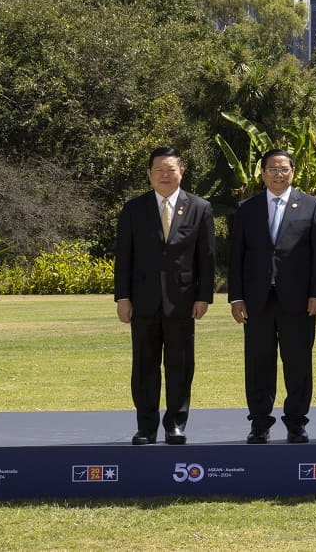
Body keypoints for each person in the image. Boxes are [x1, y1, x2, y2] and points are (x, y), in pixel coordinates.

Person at [113, 146, 214, 446]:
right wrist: (123, 298)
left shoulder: (199, 207)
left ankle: (176, 425)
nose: (165, 175)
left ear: (182, 172)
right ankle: (146, 427)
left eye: (171, 170)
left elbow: (206, 258)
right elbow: (124, 258)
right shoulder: (134, 208)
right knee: (144, 365)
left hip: (183, 300)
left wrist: (203, 296)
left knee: (180, 365)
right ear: (149, 174)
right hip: (142, 301)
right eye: (159, 170)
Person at [228, 148, 316, 444]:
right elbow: (237, 256)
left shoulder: (312, 206)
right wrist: (236, 297)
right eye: (272, 169)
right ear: (262, 173)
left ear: (293, 172)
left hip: (298, 300)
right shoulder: (247, 207)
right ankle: (259, 422)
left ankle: (296, 421)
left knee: (298, 362)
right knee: (259, 362)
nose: (278, 174)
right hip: (257, 299)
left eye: (284, 169)